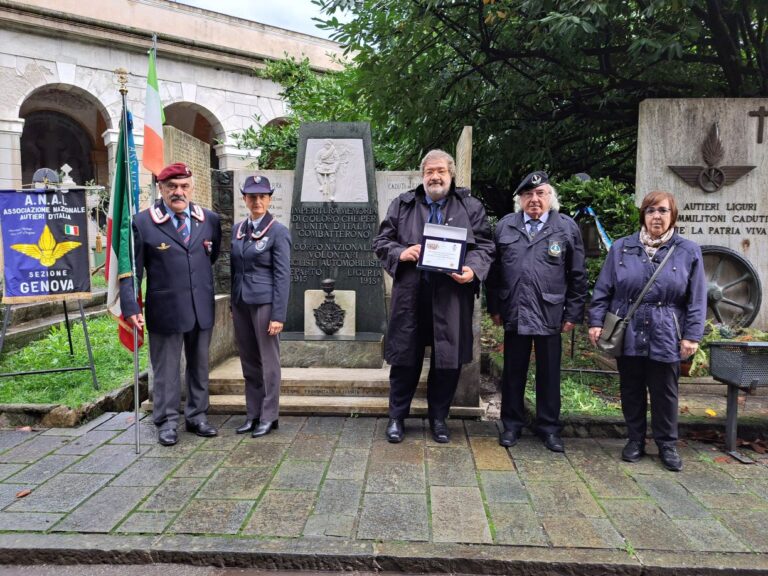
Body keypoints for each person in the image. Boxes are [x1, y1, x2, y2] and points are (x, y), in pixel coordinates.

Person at [373, 149, 495, 444]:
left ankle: (439, 418)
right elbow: (381, 241)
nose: (435, 177)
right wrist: (401, 252)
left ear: (451, 175)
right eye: (429, 172)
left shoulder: (470, 206)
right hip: (412, 295)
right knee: (405, 358)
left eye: (441, 171)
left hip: (451, 295)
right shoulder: (403, 205)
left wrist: (473, 270)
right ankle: (396, 418)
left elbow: (486, 246)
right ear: (423, 175)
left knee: (448, 360)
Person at [588, 191, 706, 471]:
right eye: (651, 210)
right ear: (643, 214)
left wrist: (692, 335)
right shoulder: (622, 247)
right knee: (631, 388)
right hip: (628, 329)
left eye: (663, 211)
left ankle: (667, 444)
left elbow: (697, 298)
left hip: (667, 329)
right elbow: (604, 289)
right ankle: (635, 440)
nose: (657, 216)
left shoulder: (688, 250)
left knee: (665, 391)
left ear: (672, 215)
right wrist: (595, 322)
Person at [120, 162, 222, 446]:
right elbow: (132, 269)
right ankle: (166, 420)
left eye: (184, 186)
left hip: (200, 306)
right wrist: (131, 308)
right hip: (165, 308)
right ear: (161, 189)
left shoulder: (209, 220)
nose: (178, 192)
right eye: (172, 187)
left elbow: (209, 258)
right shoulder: (142, 222)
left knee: (200, 365)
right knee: (165, 369)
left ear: (192, 188)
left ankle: (197, 416)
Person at [486, 171, 587, 453]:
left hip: (550, 311)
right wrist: (493, 306)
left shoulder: (566, 227)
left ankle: (549, 428)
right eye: (528, 195)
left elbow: (578, 274)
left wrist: (573, 313)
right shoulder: (506, 226)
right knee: (513, 370)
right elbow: (494, 273)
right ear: (520, 199)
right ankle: (512, 425)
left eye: (540, 194)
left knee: (549, 373)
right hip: (514, 309)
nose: (534, 199)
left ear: (550, 198)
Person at [230, 175, 291, 438]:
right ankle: (252, 414)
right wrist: (234, 302)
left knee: (269, 363)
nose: (257, 201)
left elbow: (283, 275)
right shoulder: (238, 229)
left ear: (269, 199)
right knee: (249, 362)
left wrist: (278, 315)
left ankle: (269, 415)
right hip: (242, 303)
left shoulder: (278, 231)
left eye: (262, 196)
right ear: (244, 198)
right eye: (252, 196)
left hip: (265, 305)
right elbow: (234, 269)